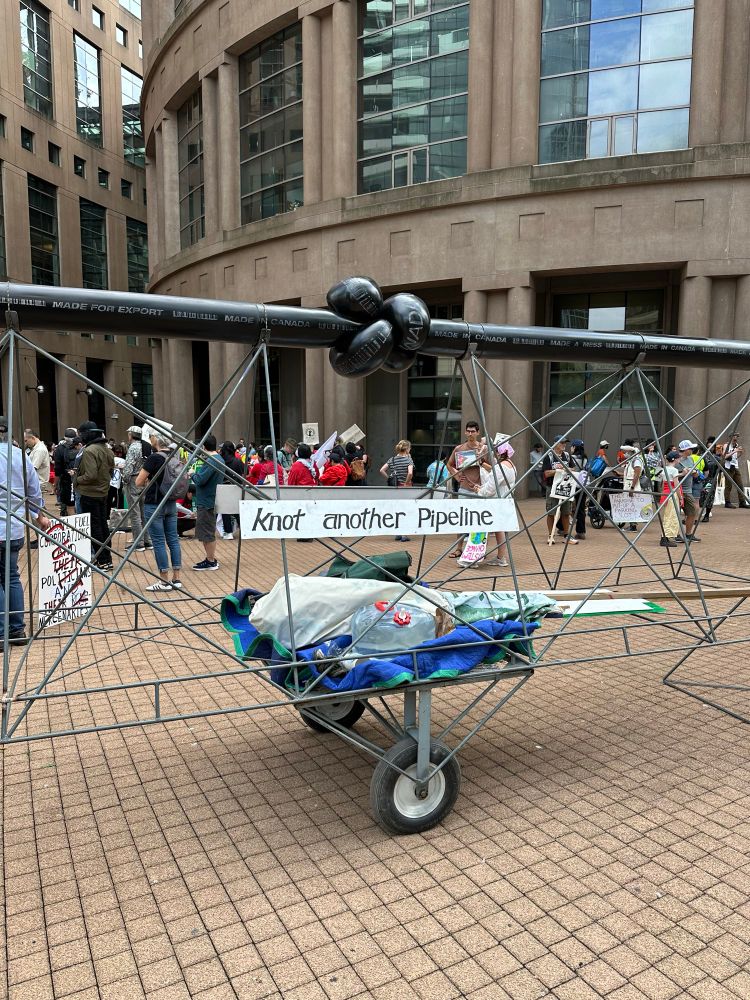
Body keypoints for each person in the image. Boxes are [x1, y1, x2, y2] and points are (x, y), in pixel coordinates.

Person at [0, 417, 51, 644]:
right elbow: (33, 491)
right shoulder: (20, 456)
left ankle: (2, 632)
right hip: (15, 527)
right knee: (11, 575)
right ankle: (16, 629)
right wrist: (39, 516)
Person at [136, 431, 182, 591]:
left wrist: (149, 480)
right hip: (171, 502)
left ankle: (164, 581)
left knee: (158, 541)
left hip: (154, 503)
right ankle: (176, 579)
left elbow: (138, 481)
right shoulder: (174, 456)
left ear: (156, 440)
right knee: (173, 539)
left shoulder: (154, 457)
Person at [75, 421, 115, 571]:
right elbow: (111, 470)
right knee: (103, 526)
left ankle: (102, 560)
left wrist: (77, 479)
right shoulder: (106, 449)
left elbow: (90, 475)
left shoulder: (90, 450)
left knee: (95, 528)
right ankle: (107, 559)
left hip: (89, 493)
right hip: (103, 492)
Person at [473, 435, 517, 567]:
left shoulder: (500, 467)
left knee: (489, 528)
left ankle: (478, 556)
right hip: (505, 500)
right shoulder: (511, 465)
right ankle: (499, 557)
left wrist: (479, 491)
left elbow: (491, 488)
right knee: (499, 529)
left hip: (497, 502)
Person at [446, 422, 487, 557]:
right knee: (462, 519)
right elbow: (449, 464)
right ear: (465, 432)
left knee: (479, 520)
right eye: (468, 431)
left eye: (473, 431)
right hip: (464, 488)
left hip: (481, 489)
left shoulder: (483, 448)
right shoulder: (459, 448)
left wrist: (481, 460)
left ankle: (478, 549)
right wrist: (457, 477)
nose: (470, 434)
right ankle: (459, 548)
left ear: (477, 432)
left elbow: (492, 467)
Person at [191, 434, 225, 571]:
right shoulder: (218, 459)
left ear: (204, 447)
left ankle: (211, 560)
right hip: (210, 499)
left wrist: (192, 473)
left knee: (207, 532)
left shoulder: (212, 461)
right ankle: (210, 559)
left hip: (207, 501)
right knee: (207, 531)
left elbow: (200, 480)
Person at [121, 425, 153, 552]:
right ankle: (147, 540)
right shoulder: (146, 446)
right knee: (144, 511)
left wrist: (125, 479)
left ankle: (138, 542)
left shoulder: (133, 448)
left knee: (134, 513)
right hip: (144, 479)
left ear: (131, 435)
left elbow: (129, 467)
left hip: (134, 480)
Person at [543, 437, 578, 545]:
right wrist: (559, 470)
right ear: (556, 444)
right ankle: (551, 535)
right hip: (552, 487)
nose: (564, 445)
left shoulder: (567, 456)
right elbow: (546, 473)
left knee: (566, 512)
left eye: (565, 443)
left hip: (565, 488)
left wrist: (567, 469)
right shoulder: (549, 456)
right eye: (562, 443)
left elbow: (573, 469)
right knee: (551, 512)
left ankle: (567, 535)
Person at [379, 440, 413, 542]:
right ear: (407, 449)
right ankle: (404, 535)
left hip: (395, 488)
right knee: (406, 510)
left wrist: (389, 478)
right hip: (405, 488)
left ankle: (397, 533)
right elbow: (410, 473)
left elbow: (381, 470)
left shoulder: (392, 459)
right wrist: (406, 483)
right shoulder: (408, 460)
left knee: (397, 510)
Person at [675, 439, 702, 542]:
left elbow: (694, 472)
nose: (692, 450)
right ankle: (676, 534)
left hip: (688, 490)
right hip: (678, 490)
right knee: (675, 513)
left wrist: (695, 473)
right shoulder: (677, 459)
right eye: (690, 448)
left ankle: (688, 534)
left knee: (692, 512)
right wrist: (682, 472)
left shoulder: (690, 459)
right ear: (686, 449)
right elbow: (671, 473)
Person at [218, 440, 245, 540]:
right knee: (237, 510)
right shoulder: (237, 461)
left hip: (224, 488)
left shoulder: (220, 461)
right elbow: (244, 473)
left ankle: (228, 532)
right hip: (236, 488)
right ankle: (244, 531)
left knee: (225, 510)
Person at [52, 427, 78, 515]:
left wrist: (55, 485)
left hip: (66, 480)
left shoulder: (60, 449)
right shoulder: (80, 447)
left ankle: (69, 524)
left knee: (68, 504)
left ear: (64, 437)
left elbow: (57, 470)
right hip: (80, 480)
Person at [721, 433, 749, 508]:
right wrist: (734, 451)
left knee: (740, 485)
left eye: (736, 437)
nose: (735, 438)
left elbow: (735, 457)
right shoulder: (726, 445)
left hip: (735, 467)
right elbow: (724, 456)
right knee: (728, 485)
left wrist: (740, 453)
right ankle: (727, 502)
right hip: (728, 467)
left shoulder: (736, 445)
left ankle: (742, 502)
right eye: (734, 436)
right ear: (730, 437)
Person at [621, 442, 645, 532]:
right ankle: (632, 524)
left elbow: (637, 474)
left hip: (632, 486)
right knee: (630, 505)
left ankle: (633, 526)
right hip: (629, 485)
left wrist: (632, 488)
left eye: (627, 452)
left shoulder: (637, 460)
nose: (625, 454)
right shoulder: (632, 460)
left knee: (632, 505)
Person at [568, 438, 587, 540]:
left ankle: (562, 528)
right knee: (581, 509)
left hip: (572, 484)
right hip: (582, 485)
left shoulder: (571, 458)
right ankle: (581, 532)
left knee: (565, 506)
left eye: (571, 446)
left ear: (574, 447)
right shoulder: (585, 458)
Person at [24, 430, 51, 495]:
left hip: (38, 482)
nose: (25, 443)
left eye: (26, 441)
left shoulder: (39, 450)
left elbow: (33, 468)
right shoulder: (36, 448)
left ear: (33, 438)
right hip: (36, 482)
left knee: (35, 504)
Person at [108, 445, 126, 518]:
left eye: (120, 453)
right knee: (116, 499)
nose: (118, 454)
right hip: (115, 482)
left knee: (115, 499)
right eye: (117, 452)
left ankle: (115, 516)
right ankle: (117, 516)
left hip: (114, 482)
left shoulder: (110, 459)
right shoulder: (123, 460)